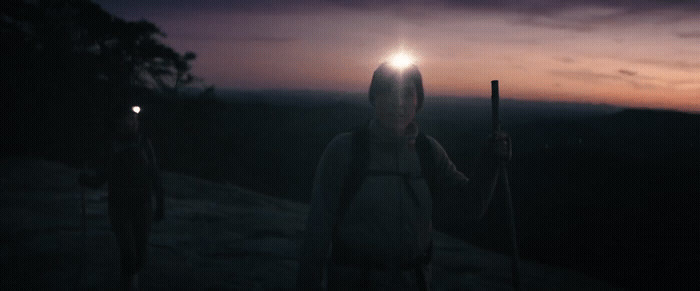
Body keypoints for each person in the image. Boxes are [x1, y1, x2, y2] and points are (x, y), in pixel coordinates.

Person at [296, 62, 511, 290]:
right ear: (374, 97)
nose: (398, 102)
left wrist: (490, 162)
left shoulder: (428, 152)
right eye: (388, 90)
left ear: (418, 101)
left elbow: (470, 206)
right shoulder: (344, 151)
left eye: (408, 94)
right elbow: (317, 232)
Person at [80, 104, 164, 290]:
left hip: (142, 206)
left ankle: (130, 281)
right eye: (129, 119)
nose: (133, 123)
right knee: (129, 253)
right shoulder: (112, 147)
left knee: (140, 254)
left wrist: (160, 202)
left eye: (134, 120)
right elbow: (102, 177)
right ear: (119, 123)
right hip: (120, 208)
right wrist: (87, 180)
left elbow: (154, 173)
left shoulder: (144, 144)